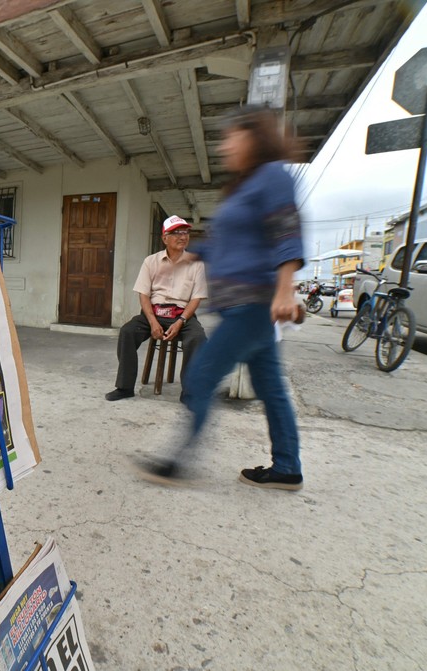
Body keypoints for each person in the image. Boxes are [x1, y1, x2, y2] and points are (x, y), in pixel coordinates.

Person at [136, 105, 305, 491]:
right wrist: (193, 255)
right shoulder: (245, 188)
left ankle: (176, 462)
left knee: (200, 374)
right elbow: (231, 245)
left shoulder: (272, 175)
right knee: (271, 388)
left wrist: (285, 288)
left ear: (253, 137)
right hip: (247, 307)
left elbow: (286, 230)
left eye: (232, 137)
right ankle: (287, 467)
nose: (225, 147)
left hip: (252, 304)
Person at [105, 215, 207, 401]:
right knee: (127, 332)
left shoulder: (196, 264)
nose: (182, 236)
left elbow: (197, 297)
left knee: (198, 338)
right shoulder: (150, 261)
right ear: (164, 238)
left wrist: (180, 322)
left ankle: (190, 393)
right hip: (153, 313)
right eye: (176, 233)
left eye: (185, 232)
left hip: (182, 315)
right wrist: (152, 321)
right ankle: (125, 387)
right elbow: (143, 294)